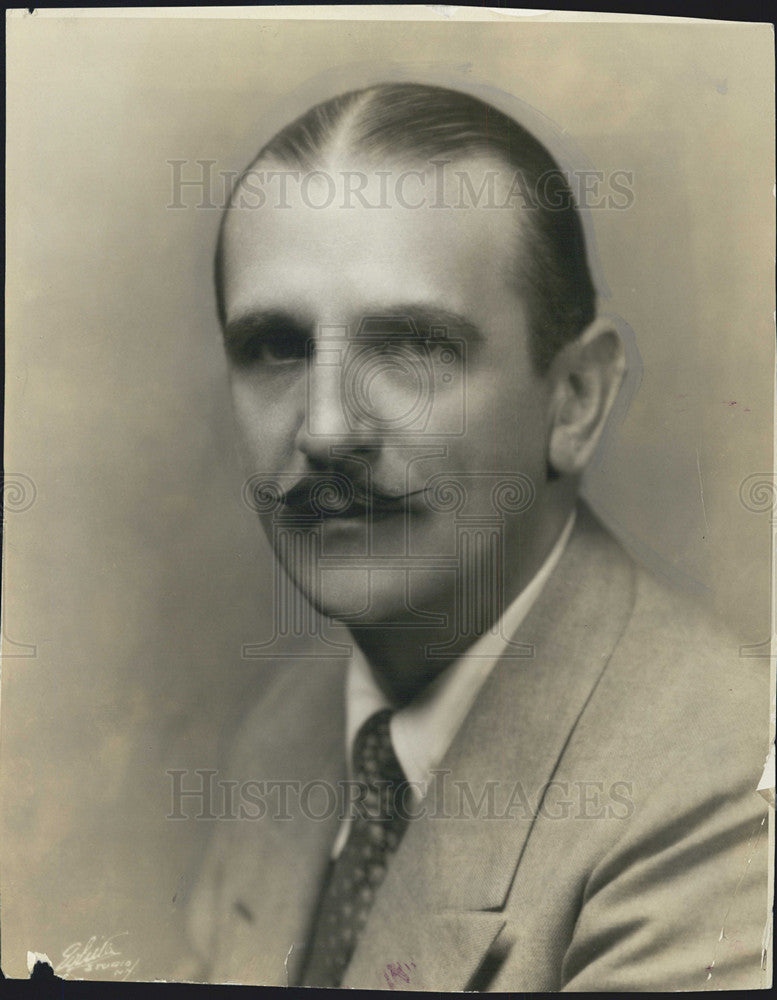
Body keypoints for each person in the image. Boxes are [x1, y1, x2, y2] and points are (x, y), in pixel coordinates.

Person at [185, 82, 770, 991]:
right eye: (276, 347)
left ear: (575, 400)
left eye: (412, 345)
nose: (327, 427)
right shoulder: (290, 736)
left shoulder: (725, 790)